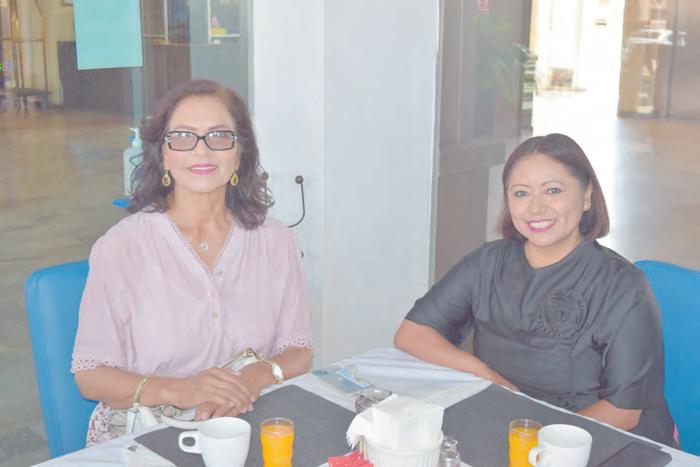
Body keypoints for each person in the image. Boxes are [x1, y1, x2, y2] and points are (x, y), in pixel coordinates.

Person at [72, 79, 313, 445]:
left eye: (219, 136)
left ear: (240, 154)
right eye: (183, 136)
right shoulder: (122, 247)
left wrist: (253, 378)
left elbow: (299, 352)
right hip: (146, 432)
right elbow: (90, 377)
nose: (202, 150)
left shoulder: (277, 241)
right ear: (163, 155)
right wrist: (179, 389)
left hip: (243, 420)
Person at [394, 133, 675, 446]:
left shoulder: (622, 285)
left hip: (599, 442)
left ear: (586, 195)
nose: (536, 208)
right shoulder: (488, 263)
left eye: (553, 190)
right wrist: (482, 371)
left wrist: (539, 442)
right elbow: (412, 333)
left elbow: (623, 412)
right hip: (511, 426)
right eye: (521, 193)